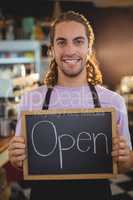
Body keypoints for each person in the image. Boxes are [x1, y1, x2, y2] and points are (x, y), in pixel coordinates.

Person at [8, 11, 133, 200]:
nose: (70, 50)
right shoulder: (31, 100)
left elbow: (126, 163)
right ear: (51, 49)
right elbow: (20, 161)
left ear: (89, 48)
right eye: (61, 42)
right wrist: (16, 157)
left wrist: (124, 158)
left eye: (78, 41)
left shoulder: (114, 101)